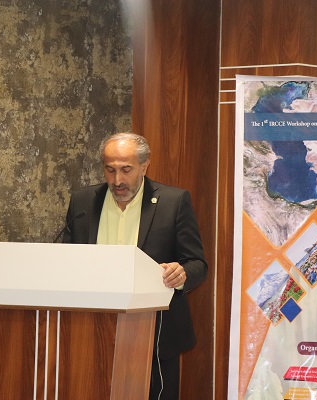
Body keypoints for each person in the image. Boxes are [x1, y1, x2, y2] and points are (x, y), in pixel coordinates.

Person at [60, 132, 207, 400]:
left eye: (126, 170)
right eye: (110, 170)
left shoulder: (173, 202)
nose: (117, 180)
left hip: (155, 333)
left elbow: (197, 262)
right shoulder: (83, 202)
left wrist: (182, 274)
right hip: (90, 331)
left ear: (144, 166)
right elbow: (67, 259)